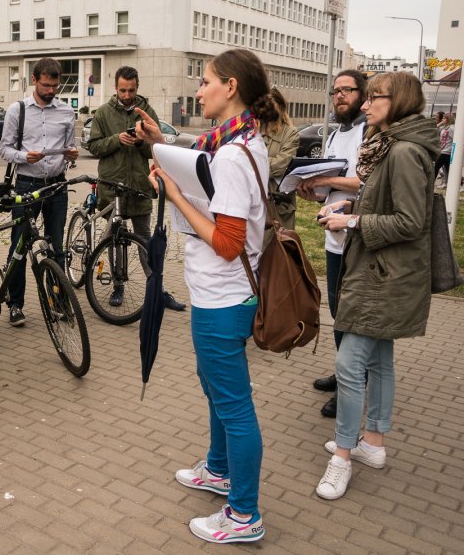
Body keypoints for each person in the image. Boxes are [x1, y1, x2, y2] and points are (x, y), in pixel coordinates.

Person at [142, 48, 276, 544]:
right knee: (217, 391)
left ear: (232, 87)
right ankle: (219, 470)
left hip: (224, 298)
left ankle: (244, 515)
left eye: (206, 82)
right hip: (218, 295)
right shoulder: (232, 142)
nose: (199, 91)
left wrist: (175, 196)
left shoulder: (237, 155)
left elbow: (227, 243)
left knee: (235, 406)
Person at [314, 72, 438, 500]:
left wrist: (352, 220)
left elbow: (410, 221)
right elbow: (390, 200)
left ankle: (343, 458)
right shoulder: (396, 145)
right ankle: (374, 445)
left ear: (398, 101)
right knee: (380, 360)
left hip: (384, 275)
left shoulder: (403, 150)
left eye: (374, 98)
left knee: (350, 366)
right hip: (386, 271)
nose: (365, 106)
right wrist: (355, 203)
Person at [85, 65, 185, 311]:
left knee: (145, 241)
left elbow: (156, 149)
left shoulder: (147, 111)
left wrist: (142, 141)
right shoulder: (103, 113)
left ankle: (157, 290)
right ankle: (118, 286)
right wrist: (117, 139)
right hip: (112, 189)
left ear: (137, 87)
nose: (127, 95)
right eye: (122, 90)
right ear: (116, 88)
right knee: (113, 242)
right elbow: (94, 146)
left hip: (139, 187)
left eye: (131, 90)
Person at [296, 70, 367, 419]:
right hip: (334, 238)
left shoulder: (370, 132)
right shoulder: (338, 133)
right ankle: (343, 374)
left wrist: (326, 179)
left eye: (347, 90)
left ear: (362, 95)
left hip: (360, 238)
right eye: (335, 91)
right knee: (339, 312)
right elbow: (333, 186)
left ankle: (350, 385)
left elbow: (366, 183)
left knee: (352, 316)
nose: (339, 96)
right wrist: (312, 190)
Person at [0, 57, 78, 326]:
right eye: (46, 85)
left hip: (56, 185)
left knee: (57, 247)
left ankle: (58, 302)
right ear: (34, 80)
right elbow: (4, 149)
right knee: (19, 246)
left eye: (55, 86)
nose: (51, 91)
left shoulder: (67, 112)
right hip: (26, 184)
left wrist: (72, 155)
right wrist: (23, 157)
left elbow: (70, 149)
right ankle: (15, 304)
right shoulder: (17, 110)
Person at [261, 87, 299, 236]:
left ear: (280, 107)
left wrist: (252, 161)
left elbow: (279, 166)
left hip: (279, 206)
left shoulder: (290, 133)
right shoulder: (254, 129)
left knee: (279, 252)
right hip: (257, 202)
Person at [435, 112, 455, 189]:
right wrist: (441, 123)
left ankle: (449, 184)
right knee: (447, 170)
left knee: (436, 168)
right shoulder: (445, 127)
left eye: (444, 118)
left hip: (447, 152)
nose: (442, 119)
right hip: (443, 151)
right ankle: (449, 184)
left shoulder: (452, 128)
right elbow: (435, 128)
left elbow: (455, 140)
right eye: (442, 118)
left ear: (449, 119)